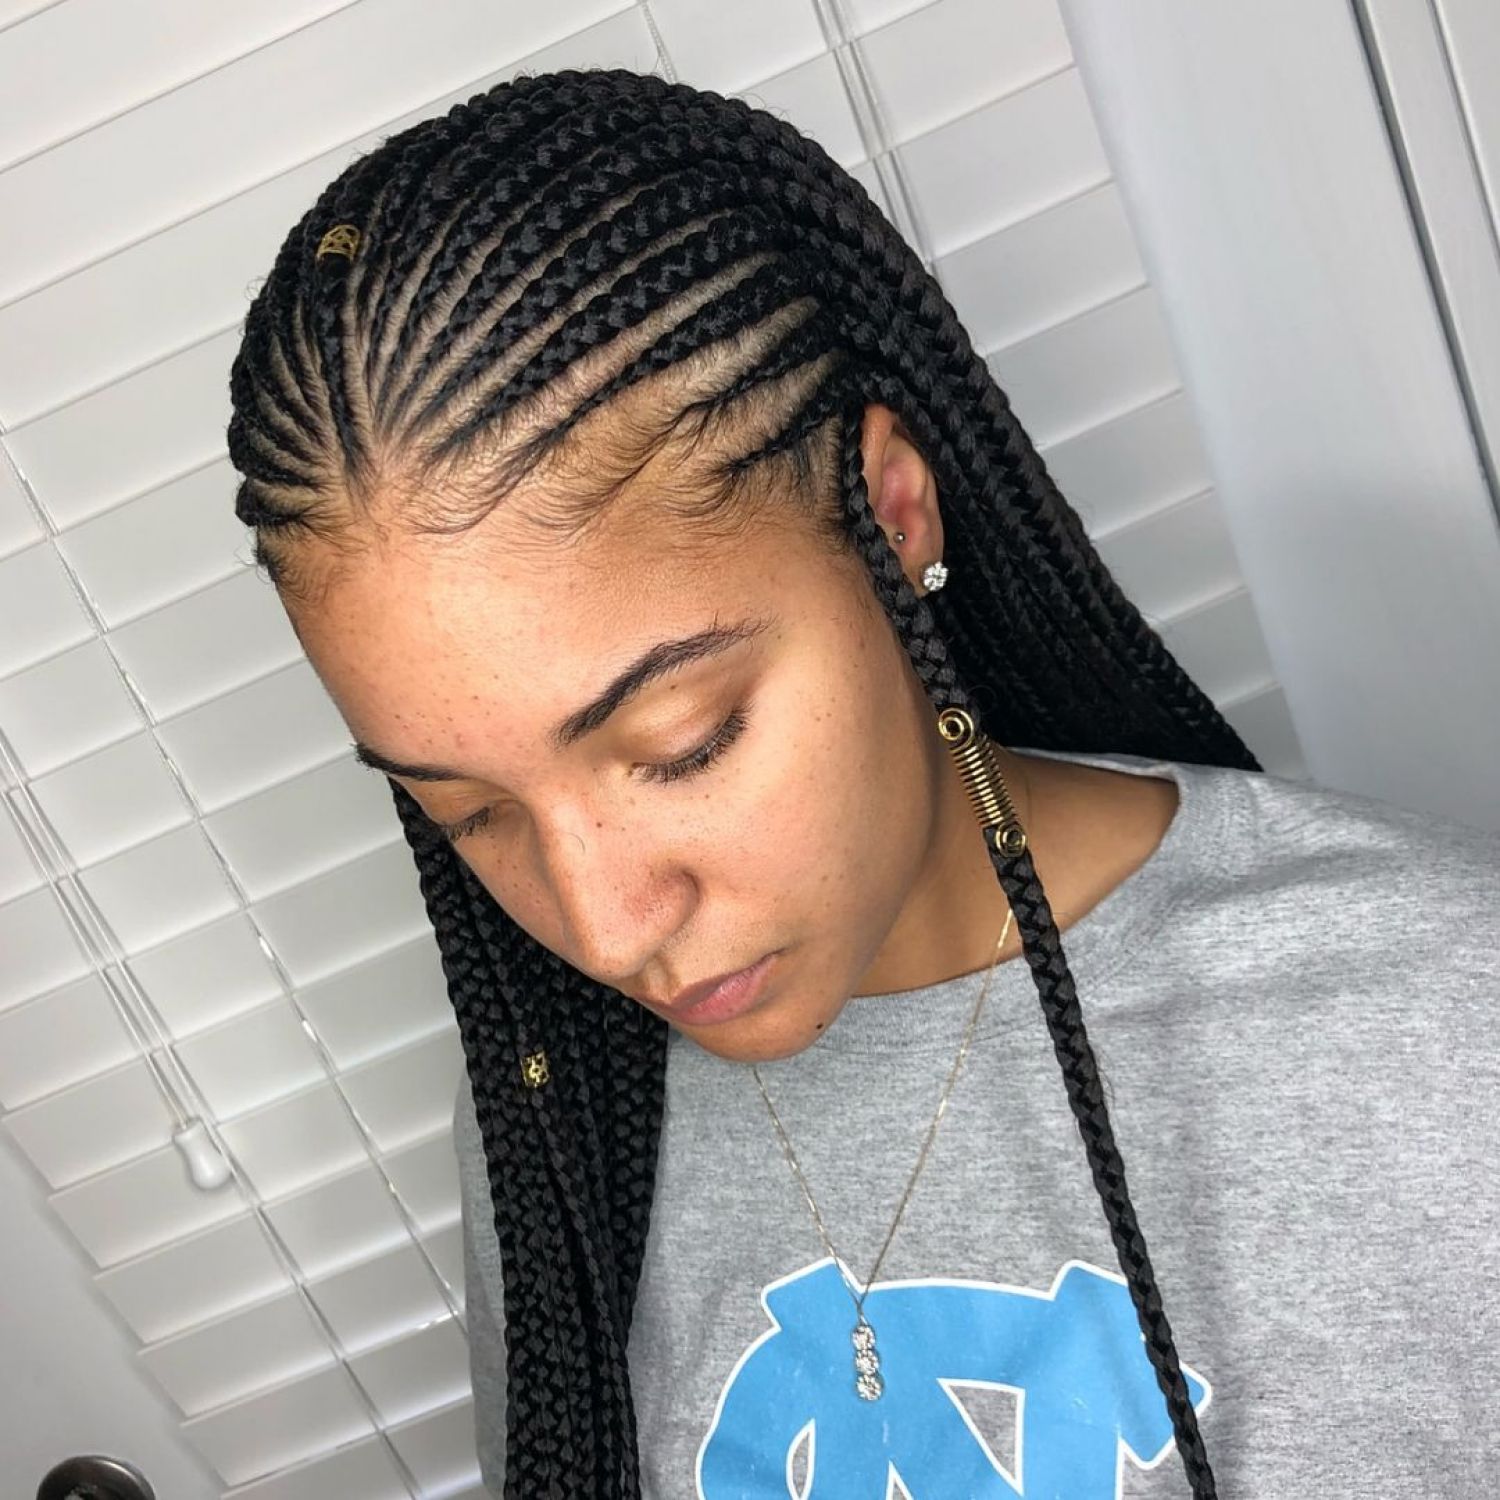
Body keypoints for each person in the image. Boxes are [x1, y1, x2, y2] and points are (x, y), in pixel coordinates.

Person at [225, 68, 1499, 1499]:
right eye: (469, 812)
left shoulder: (1451, 1025)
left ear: (892, 517)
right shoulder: (561, 1105)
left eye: (684, 741)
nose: (606, 930)